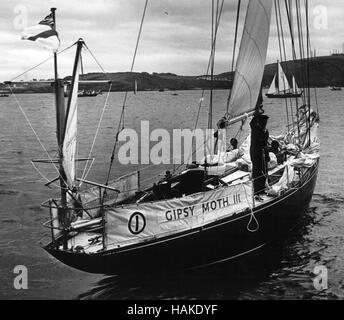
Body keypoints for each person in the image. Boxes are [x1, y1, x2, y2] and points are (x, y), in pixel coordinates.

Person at [250, 109, 270, 199]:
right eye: (263, 122)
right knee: (257, 171)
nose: (265, 123)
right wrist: (256, 114)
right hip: (256, 153)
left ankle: (262, 189)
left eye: (265, 122)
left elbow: (265, 144)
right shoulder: (255, 130)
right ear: (260, 122)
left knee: (264, 171)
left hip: (263, 154)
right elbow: (252, 124)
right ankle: (257, 191)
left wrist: (267, 155)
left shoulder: (265, 131)